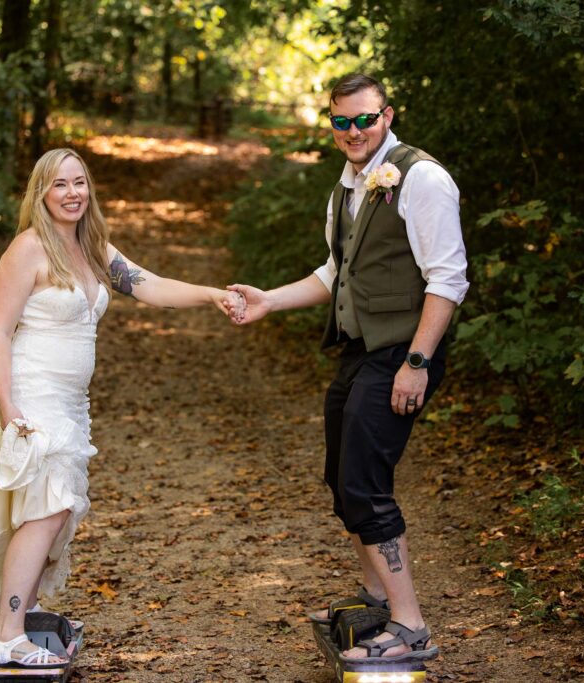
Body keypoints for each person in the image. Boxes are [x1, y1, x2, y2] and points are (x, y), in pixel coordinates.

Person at [0, 148, 244, 669]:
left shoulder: (92, 248)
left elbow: (149, 286)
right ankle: (6, 636)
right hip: (33, 395)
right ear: (40, 193)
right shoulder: (28, 249)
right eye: (59, 184)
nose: (72, 193)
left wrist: (211, 295)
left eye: (80, 183)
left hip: (71, 403)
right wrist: (8, 405)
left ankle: (25, 613)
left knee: (53, 511)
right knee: (49, 507)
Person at [227, 73, 468, 662]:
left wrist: (417, 361)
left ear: (387, 115)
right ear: (331, 122)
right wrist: (269, 300)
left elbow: (449, 277)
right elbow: (336, 273)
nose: (353, 131)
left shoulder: (422, 178)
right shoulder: (346, 188)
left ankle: (411, 627)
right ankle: (376, 600)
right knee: (342, 478)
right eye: (341, 121)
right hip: (362, 351)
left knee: (366, 481)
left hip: (403, 353)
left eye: (365, 119)